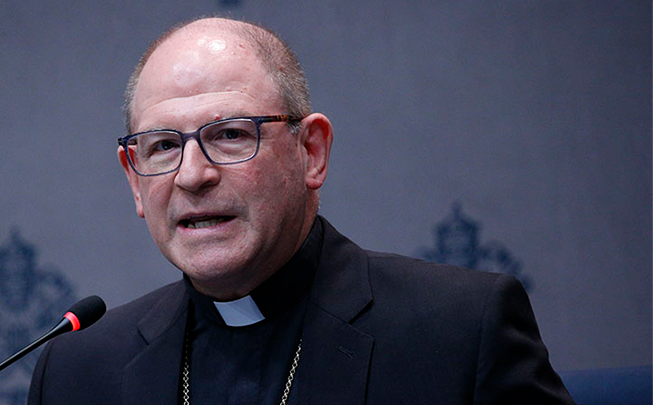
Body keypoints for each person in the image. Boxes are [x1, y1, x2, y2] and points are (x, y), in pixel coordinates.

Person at [28, 17, 574, 404]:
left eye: (231, 134)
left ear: (311, 152)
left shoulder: (459, 333)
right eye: (163, 146)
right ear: (133, 178)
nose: (192, 175)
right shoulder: (77, 372)